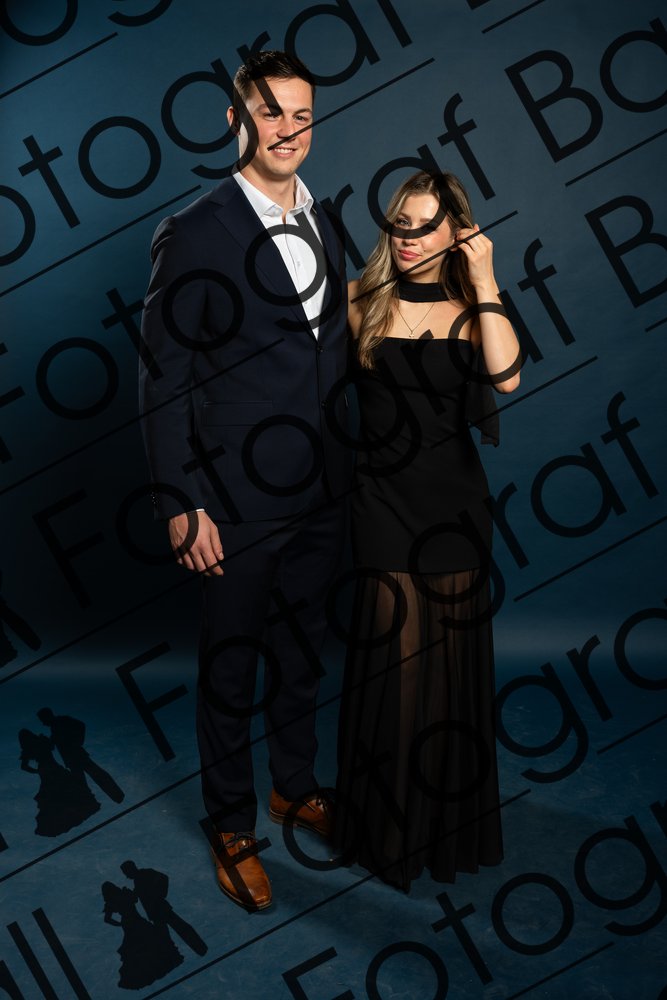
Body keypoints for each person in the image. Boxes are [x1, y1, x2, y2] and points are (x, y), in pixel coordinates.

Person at [139, 51, 348, 911]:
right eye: (269, 112)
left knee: (301, 653)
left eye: (300, 114)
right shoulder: (194, 230)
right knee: (231, 665)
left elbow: (333, 345)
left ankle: (292, 787)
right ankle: (231, 824)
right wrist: (180, 502)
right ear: (236, 120)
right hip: (232, 498)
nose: (287, 129)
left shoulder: (327, 217)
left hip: (324, 488)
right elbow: (161, 376)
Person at [333, 170, 521, 891]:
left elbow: (506, 377)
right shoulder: (359, 299)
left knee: (447, 674)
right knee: (397, 668)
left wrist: (486, 274)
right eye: (400, 223)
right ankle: (387, 835)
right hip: (381, 504)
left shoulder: (475, 310)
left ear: (456, 232)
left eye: (426, 225)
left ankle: (443, 834)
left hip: (454, 511)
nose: (408, 237)